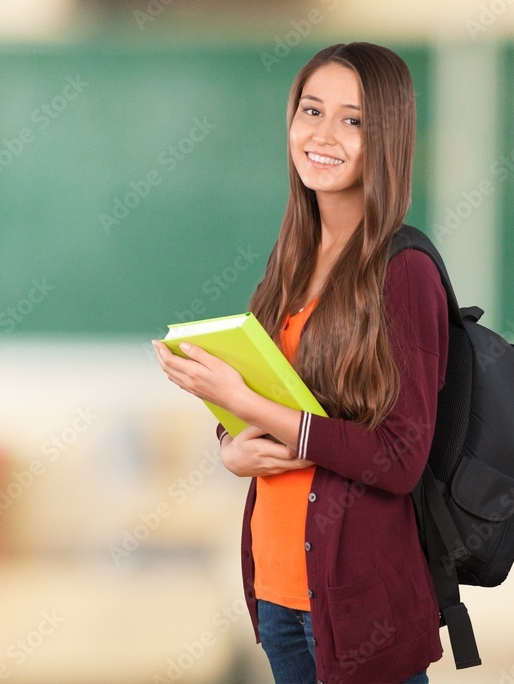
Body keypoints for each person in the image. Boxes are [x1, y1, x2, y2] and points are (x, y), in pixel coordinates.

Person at [153, 42, 446, 684]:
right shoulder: (288, 266)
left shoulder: (404, 271)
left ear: (388, 135)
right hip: (281, 594)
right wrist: (232, 444)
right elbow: (260, 403)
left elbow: (399, 459)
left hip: (357, 604)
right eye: (311, 110)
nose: (323, 134)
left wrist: (254, 407)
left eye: (353, 120)